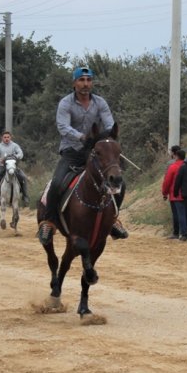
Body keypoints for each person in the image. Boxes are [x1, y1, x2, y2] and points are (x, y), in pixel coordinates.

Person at [37, 66, 128, 246]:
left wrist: (108, 138)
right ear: (74, 83)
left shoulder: (100, 102)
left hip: (96, 151)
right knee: (56, 183)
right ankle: (49, 221)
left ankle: (113, 220)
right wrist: (81, 136)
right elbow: (63, 127)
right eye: (81, 80)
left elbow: (109, 123)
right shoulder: (65, 103)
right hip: (72, 151)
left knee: (120, 182)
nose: (85, 84)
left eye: (88, 80)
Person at [0, 131, 30, 204]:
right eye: (5, 137)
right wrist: (0, 159)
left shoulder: (15, 145)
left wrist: (16, 156)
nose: (6, 139)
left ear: (10, 137)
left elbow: (21, 153)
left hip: (13, 167)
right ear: (2, 138)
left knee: (23, 177)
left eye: (8, 137)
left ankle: (25, 196)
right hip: (2, 167)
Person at [161, 146, 186, 240]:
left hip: (175, 194)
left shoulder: (172, 166)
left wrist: (164, 193)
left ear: (175, 155)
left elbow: (167, 180)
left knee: (177, 214)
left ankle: (178, 233)